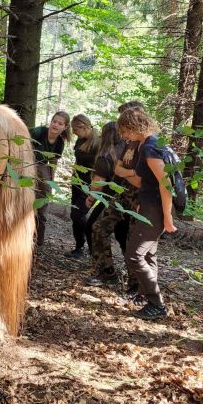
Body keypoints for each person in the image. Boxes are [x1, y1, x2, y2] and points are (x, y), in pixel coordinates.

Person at [115, 107, 175, 320]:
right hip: (149, 206)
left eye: (125, 130)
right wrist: (143, 203)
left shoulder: (150, 147)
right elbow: (147, 182)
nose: (124, 136)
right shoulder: (151, 144)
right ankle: (148, 299)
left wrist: (167, 216)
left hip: (156, 208)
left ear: (133, 126)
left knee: (134, 255)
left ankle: (157, 304)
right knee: (149, 254)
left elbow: (165, 183)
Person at [88, 101, 144, 289]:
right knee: (98, 227)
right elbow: (119, 169)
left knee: (132, 239)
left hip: (141, 199)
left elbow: (144, 177)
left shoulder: (148, 144)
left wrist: (129, 174)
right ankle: (106, 272)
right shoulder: (127, 143)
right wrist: (127, 173)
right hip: (121, 194)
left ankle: (136, 285)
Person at [30, 111, 71, 246]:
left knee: (42, 203)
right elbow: (23, 141)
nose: (56, 125)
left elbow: (53, 162)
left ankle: (38, 239)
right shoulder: (39, 132)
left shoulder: (59, 142)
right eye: (54, 121)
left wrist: (51, 183)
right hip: (28, 164)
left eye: (60, 124)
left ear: (64, 127)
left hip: (43, 169)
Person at [84, 121, 125, 254]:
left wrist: (90, 199)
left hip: (110, 197)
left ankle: (99, 263)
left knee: (92, 227)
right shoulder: (127, 150)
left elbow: (98, 184)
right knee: (122, 232)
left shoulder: (105, 156)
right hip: (128, 198)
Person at [66, 114, 100, 259]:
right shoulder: (80, 140)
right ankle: (79, 247)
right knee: (75, 214)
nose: (73, 132)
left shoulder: (98, 142)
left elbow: (101, 167)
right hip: (77, 182)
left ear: (84, 126)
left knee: (78, 214)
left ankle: (93, 248)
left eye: (75, 129)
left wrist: (95, 187)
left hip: (90, 184)